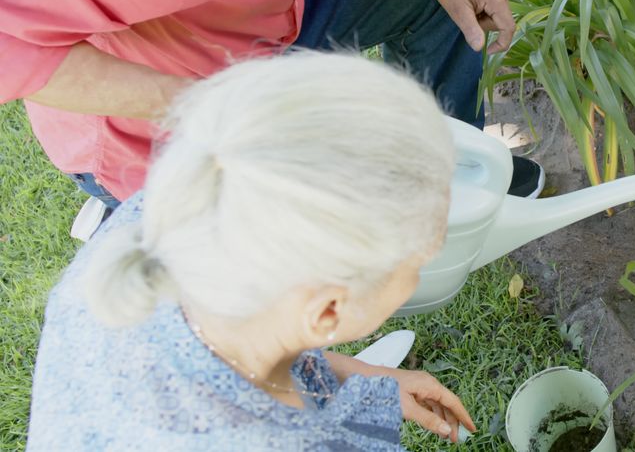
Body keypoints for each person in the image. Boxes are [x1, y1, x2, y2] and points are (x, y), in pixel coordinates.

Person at [0, 0, 543, 228]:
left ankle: (445, 175)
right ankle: (131, 218)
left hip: (260, 21)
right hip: (165, 118)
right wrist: (207, 105)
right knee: (277, 281)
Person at [27, 52, 477, 450]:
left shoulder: (188, 209)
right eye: (417, 263)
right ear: (326, 313)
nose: (419, 271)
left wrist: (356, 377)